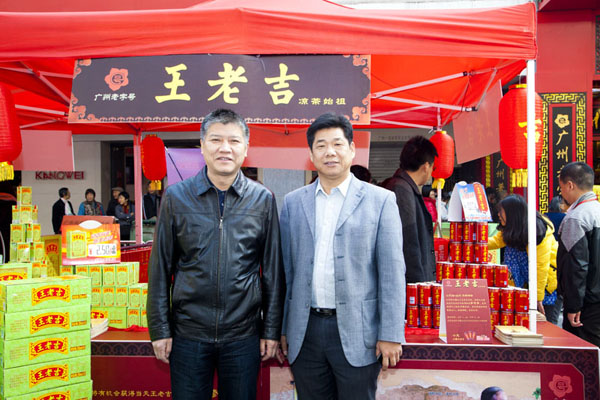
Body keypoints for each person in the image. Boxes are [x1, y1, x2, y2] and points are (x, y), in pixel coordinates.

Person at [147, 109, 284, 400]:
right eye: (216, 140)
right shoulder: (176, 197)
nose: (225, 148)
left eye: (233, 141)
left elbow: (272, 272)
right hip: (188, 334)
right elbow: (160, 269)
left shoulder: (262, 199)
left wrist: (271, 330)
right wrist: (159, 329)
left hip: (243, 336)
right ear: (202, 145)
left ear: (245, 148)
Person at [278, 113, 405, 400]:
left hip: (358, 332)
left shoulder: (381, 201)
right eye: (321, 145)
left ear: (352, 149)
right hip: (305, 331)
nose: (330, 152)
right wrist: (284, 327)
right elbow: (287, 272)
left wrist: (390, 333)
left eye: (337, 144)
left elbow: (392, 273)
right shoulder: (293, 203)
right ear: (311, 154)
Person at [487, 194, 561, 323]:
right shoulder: (514, 228)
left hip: (545, 285)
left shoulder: (537, 230)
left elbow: (541, 266)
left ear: (512, 213)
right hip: (526, 283)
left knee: (545, 323)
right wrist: (473, 243)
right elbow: (496, 241)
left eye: (501, 211)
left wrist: (537, 298)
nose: (498, 215)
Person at [557, 161, 600, 346]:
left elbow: (576, 265)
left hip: (586, 306)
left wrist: (573, 305)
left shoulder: (576, 217)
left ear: (570, 185)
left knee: (583, 354)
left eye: (561, 188)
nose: (562, 193)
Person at [384, 136, 438, 283]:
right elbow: (409, 242)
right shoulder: (401, 189)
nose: (431, 172)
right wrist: (418, 284)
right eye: (433, 168)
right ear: (426, 166)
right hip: (410, 283)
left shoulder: (403, 186)